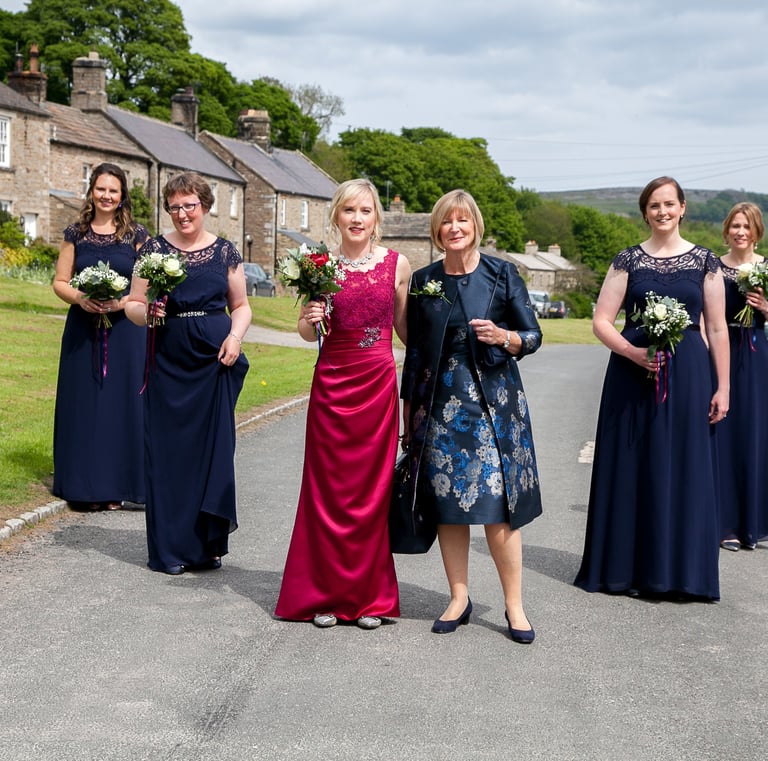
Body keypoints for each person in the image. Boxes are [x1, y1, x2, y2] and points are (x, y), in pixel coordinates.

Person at [574, 176, 729, 600]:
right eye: (653, 205)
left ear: (682, 209)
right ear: (645, 212)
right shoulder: (627, 261)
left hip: (689, 376)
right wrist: (631, 352)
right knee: (631, 462)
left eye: (669, 204)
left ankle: (680, 573)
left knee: (684, 465)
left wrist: (724, 387)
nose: (662, 212)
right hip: (631, 374)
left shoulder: (705, 262)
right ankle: (623, 569)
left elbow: (716, 328)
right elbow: (601, 321)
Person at [401, 189, 542, 643]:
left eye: (462, 221)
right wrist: (411, 416)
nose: (454, 229)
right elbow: (415, 352)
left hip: (494, 410)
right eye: (446, 222)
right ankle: (458, 598)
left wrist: (504, 336)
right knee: (448, 508)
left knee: (499, 511)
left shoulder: (503, 274)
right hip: (441, 409)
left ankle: (514, 606)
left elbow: (533, 336)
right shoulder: (425, 281)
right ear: (437, 230)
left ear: (475, 225)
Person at [274, 178, 411, 629]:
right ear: (336, 216)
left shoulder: (397, 264)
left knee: (371, 494)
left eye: (365, 211)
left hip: (376, 385)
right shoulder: (318, 265)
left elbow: (407, 333)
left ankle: (370, 598)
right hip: (332, 384)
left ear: (376, 219)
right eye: (349, 210)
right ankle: (326, 596)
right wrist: (310, 321)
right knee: (327, 492)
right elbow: (306, 330)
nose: (357, 219)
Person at [124, 172, 251, 575]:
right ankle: (170, 550)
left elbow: (242, 306)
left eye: (189, 205)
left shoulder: (225, 252)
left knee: (211, 451)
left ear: (205, 206)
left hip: (214, 360)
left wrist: (235, 336)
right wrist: (148, 312)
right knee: (168, 452)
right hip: (168, 359)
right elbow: (132, 304)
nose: (182, 213)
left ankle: (206, 545)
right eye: (175, 206)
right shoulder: (154, 250)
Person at [52, 162, 149, 511]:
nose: (106, 196)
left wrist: (119, 303)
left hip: (125, 332)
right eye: (101, 189)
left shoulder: (137, 236)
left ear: (122, 196)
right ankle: (82, 485)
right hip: (83, 329)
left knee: (121, 406)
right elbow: (60, 282)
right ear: (91, 191)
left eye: (113, 190)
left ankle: (117, 486)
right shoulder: (75, 233)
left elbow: (147, 286)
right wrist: (82, 298)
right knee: (85, 405)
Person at [716, 202, 768, 552]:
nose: (740, 232)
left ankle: (757, 522)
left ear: (756, 231)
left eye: (746, 226)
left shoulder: (766, 267)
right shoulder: (714, 268)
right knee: (724, 434)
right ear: (727, 229)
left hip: (757, 353)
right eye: (735, 225)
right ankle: (726, 523)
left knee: (756, 432)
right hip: (723, 352)